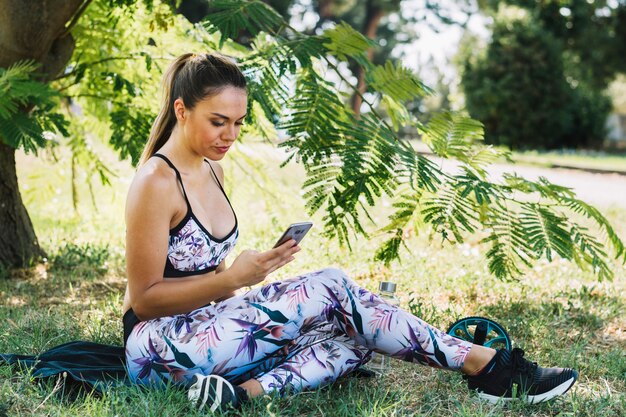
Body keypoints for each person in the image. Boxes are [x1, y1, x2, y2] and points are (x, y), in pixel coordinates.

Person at [123, 52, 578, 412]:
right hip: (156, 346)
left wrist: (246, 285)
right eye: (218, 122)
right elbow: (144, 300)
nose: (230, 135)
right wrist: (232, 282)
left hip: (204, 333)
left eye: (239, 122)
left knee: (356, 340)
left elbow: (208, 274)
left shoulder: (211, 170)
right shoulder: (155, 182)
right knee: (332, 286)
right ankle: (485, 365)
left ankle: (241, 395)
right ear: (182, 110)